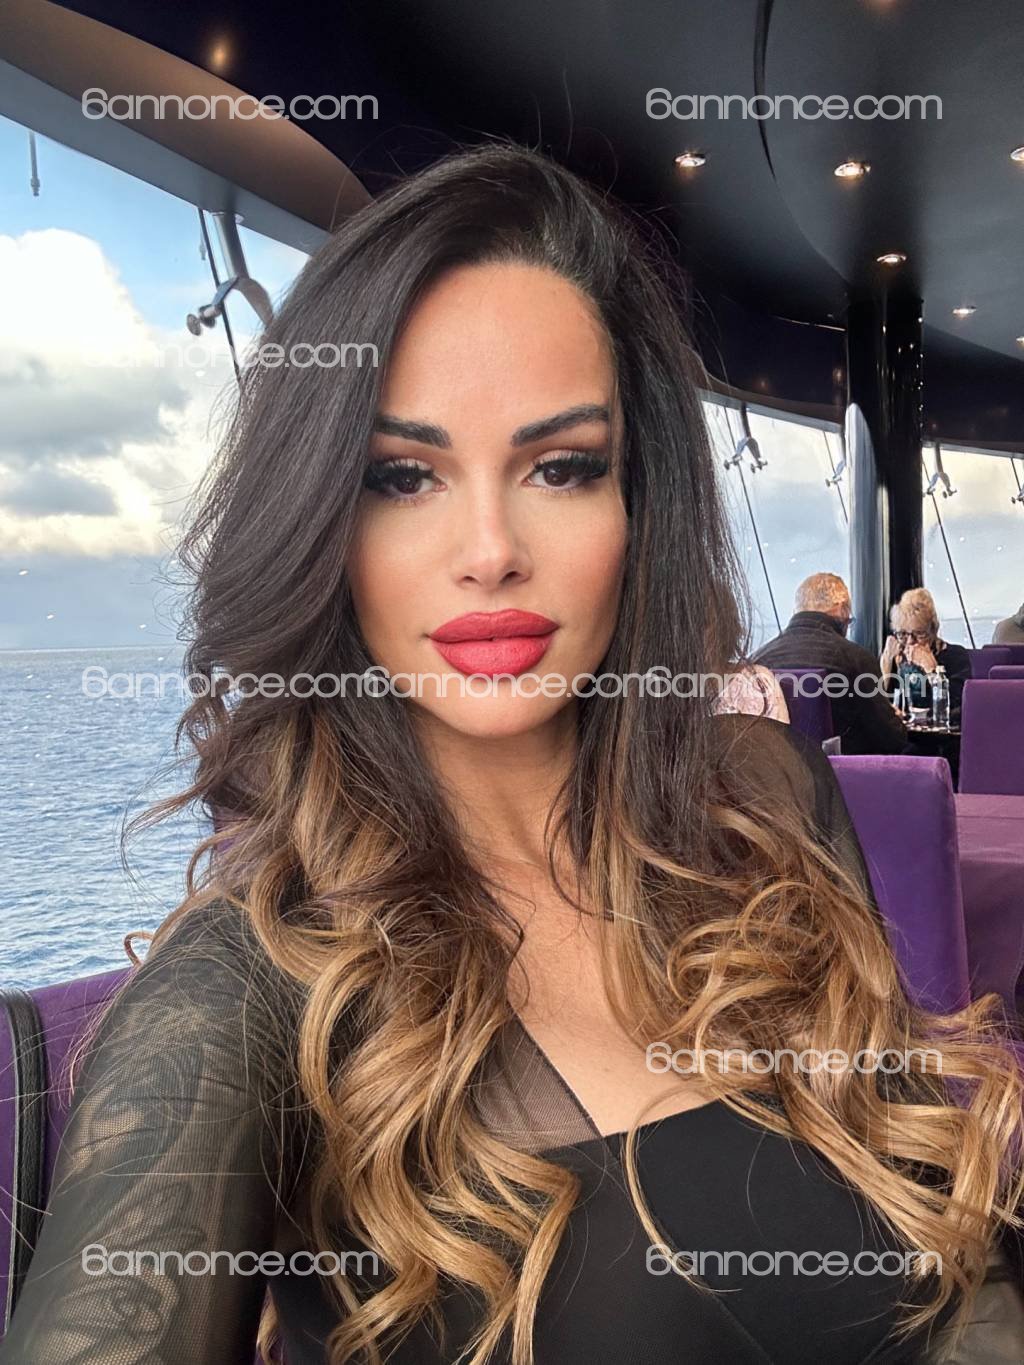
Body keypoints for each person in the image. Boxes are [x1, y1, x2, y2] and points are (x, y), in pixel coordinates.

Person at [3, 145, 1022, 1365]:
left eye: (560, 467)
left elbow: (936, 1232)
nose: (489, 549)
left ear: (638, 503)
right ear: (318, 526)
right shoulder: (246, 993)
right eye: (402, 477)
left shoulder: (765, 797)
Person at [752, 573, 908, 755]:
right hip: (841, 772)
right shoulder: (856, 660)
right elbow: (891, 739)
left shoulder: (757, 661)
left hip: (774, 768)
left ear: (796, 611)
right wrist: (895, 720)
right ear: (842, 610)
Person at [880, 588, 972, 721]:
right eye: (903, 634)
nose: (910, 641)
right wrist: (885, 667)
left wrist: (932, 671)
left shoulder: (956, 656)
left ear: (933, 630)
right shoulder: (895, 657)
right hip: (900, 729)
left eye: (919, 634)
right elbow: (875, 704)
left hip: (939, 730)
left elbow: (957, 705)